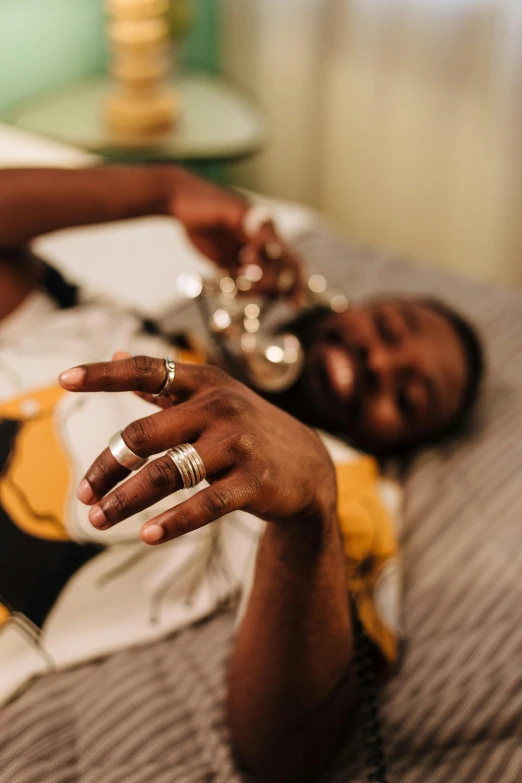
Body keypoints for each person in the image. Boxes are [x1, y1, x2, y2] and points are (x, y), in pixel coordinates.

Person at [0, 166, 484, 782]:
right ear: (335, 306)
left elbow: (284, 752)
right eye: (386, 329)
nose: (379, 360)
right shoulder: (122, 333)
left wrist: (310, 508)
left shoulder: (340, 490)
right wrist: (166, 190)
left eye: (409, 396)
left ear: (404, 442)